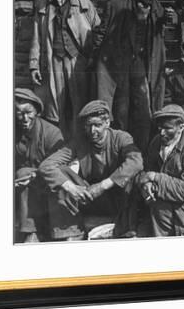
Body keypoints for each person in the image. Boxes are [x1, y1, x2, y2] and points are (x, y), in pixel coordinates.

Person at [37, 100, 143, 240]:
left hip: (117, 197)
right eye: (89, 126)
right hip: (89, 196)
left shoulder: (121, 138)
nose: (93, 131)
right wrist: (72, 188)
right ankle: (70, 232)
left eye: (97, 125)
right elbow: (47, 165)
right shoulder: (80, 142)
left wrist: (103, 185)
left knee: (132, 175)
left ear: (107, 123)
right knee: (61, 172)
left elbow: (136, 162)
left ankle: (127, 227)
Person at [94, 0, 173, 153]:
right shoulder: (117, 6)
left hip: (142, 66)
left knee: (144, 112)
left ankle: (142, 151)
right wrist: (95, 57)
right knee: (120, 110)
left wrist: (168, 19)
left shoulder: (156, 8)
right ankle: (120, 150)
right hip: (118, 66)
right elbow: (100, 34)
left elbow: (162, 29)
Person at [29, 0, 101, 140]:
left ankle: (82, 143)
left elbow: (99, 33)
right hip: (54, 61)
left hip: (79, 61)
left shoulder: (84, 4)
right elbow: (36, 38)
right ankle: (61, 144)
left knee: (81, 103)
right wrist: (34, 66)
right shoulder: (42, 7)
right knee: (57, 105)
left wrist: (95, 59)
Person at [135, 105, 184, 236]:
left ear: (181, 128)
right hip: (159, 200)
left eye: (168, 128)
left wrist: (155, 177)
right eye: (160, 128)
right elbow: (146, 170)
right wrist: (146, 184)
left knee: (160, 209)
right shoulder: (156, 142)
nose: (162, 133)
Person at [13, 88, 70, 242]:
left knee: (25, 173)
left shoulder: (51, 133)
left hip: (50, 186)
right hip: (26, 191)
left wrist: (35, 175)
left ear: (37, 111)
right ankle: (30, 231)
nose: (24, 118)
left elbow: (64, 166)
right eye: (19, 113)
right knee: (22, 173)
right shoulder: (12, 132)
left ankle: (63, 232)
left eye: (28, 112)